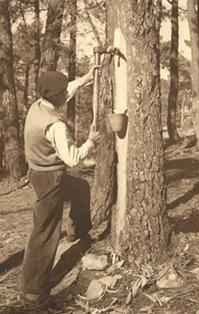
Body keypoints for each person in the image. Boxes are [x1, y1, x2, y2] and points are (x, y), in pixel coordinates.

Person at [20, 67, 100, 312]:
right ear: (54, 96)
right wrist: (91, 141)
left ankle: (77, 234)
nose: (66, 93)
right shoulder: (55, 125)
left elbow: (67, 90)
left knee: (80, 188)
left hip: (40, 172)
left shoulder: (39, 104)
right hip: (49, 178)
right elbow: (73, 158)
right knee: (44, 231)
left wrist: (88, 77)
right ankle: (33, 292)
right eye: (62, 91)